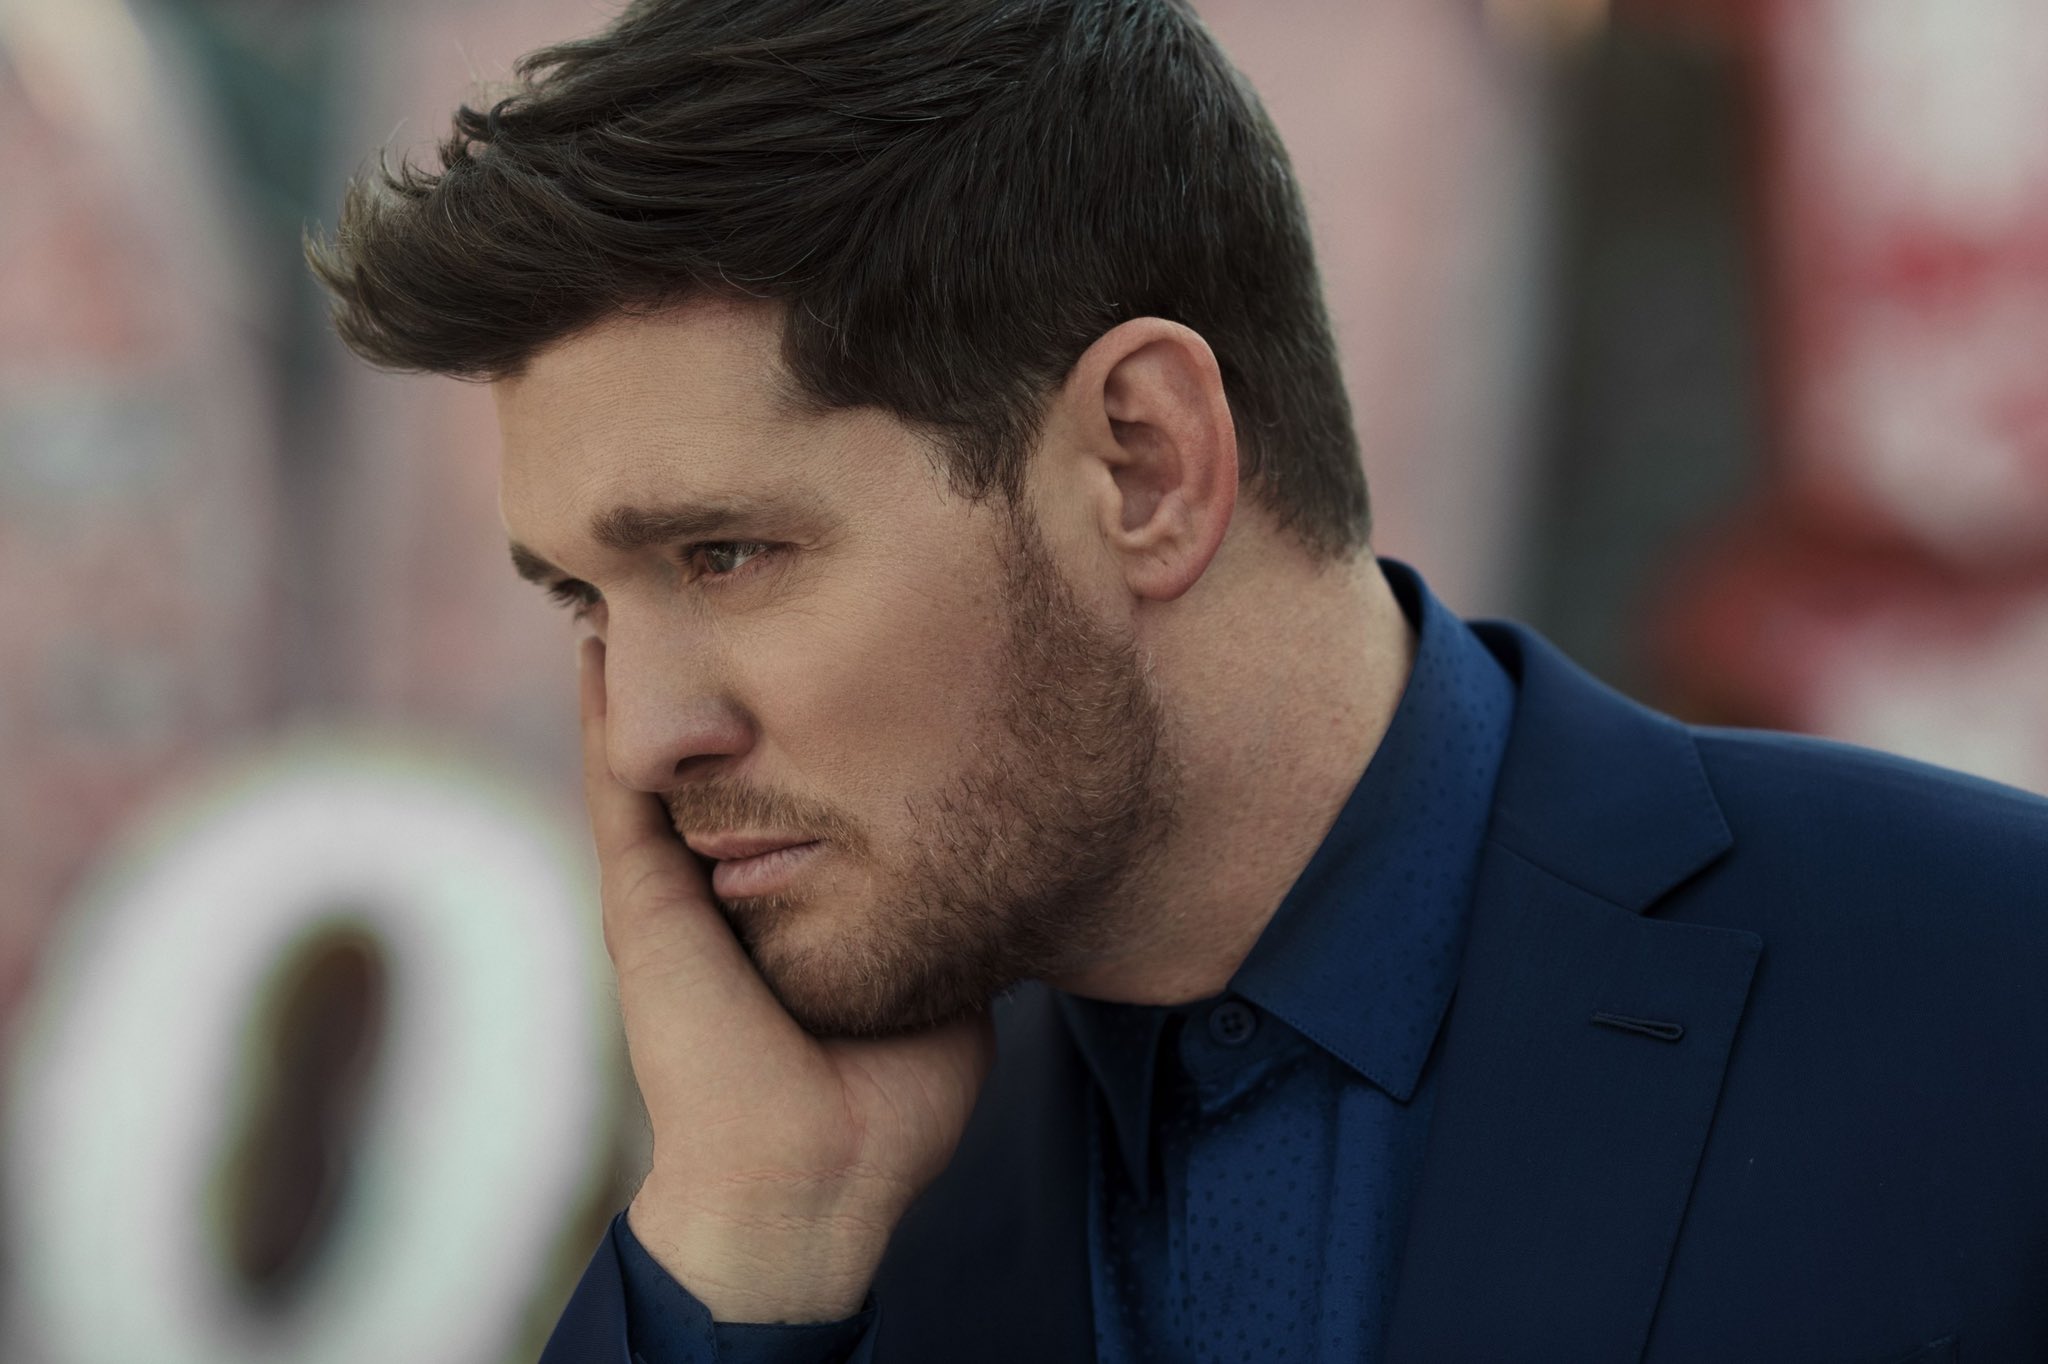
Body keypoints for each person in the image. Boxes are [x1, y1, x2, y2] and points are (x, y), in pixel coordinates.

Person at [306, 1, 2048, 1359]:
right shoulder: (788, 1218)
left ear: (1142, 465)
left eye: (722, 555)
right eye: (583, 601)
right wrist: (751, 1249)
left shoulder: (1993, 994)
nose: (645, 731)